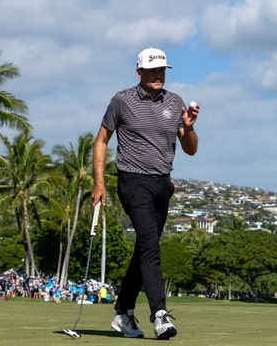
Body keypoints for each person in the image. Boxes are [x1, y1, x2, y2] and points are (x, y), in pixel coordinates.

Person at [92, 47, 199, 340]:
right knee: (150, 244)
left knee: (144, 247)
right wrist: (99, 183)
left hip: (162, 183)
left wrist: (188, 129)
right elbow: (101, 141)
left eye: (162, 70)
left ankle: (123, 311)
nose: (158, 75)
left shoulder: (175, 101)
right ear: (139, 72)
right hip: (132, 181)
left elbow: (190, 149)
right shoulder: (122, 101)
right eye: (152, 70)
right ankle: (159, 314)